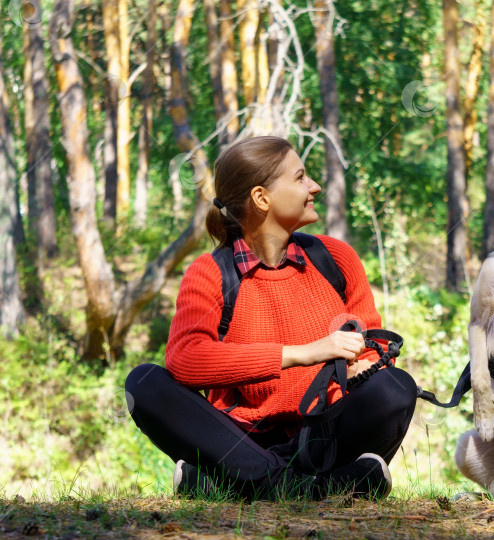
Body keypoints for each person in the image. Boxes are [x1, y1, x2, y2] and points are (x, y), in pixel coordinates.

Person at [125, 136, 418, 501]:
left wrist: (367, 364)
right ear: (262, 198)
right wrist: (303, 353)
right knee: (145, 383)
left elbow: (375, 341)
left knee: (396, 387)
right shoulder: (209, 273)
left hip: (321, 434)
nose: (314, 187)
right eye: (300, 178)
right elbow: (185, 360)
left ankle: (239, 485)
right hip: (237, 439)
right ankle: (324, 487)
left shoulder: (335, 257)